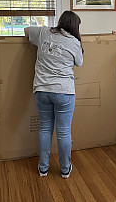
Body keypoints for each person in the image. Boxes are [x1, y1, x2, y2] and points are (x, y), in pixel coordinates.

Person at [24, 11, 83, 179]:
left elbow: (26, 30)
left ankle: (43, 168)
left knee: (45, 128)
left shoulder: (44, 32)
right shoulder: (74, 42)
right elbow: (79, 62)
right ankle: (65, 170)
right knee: (63, 132)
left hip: (42, 89)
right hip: (64, 91)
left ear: (60, 21)